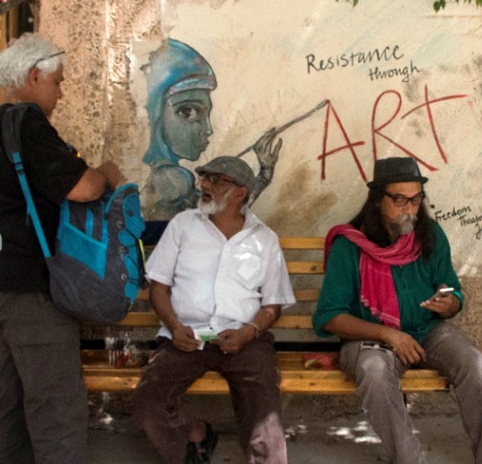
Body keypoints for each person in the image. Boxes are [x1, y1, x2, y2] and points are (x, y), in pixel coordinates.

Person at [312, 156, 482, 464]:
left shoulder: (429, 235)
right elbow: (330, 316)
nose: (409, 209)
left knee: (476, 365)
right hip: (371, 338)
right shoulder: (350, 245)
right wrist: (388, 334)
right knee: (375, 373)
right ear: (378, 200)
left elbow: (453, 291)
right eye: (400, 200)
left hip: (428, 330)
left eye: (416, 200)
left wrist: (449, 303)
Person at [0, 33, 124, 463]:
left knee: (7, 412)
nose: (61, 92)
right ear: (35, 75)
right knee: (56, 411)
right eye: (59, 82)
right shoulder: (26, 122)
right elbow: (84, 188)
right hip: (29, 288)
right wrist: (107, 173)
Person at [132, 156, 295, 464]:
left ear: (240, 192)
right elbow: (159, 288)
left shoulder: (265, 240)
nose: (206, 185)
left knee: (264, 412)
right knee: (148, 401)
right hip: (187, 334)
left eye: (216, 180)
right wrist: (174, 325)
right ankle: (192, 437)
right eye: (205, 179)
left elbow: (272, 305)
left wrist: (248, 333)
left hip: (244, 337)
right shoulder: (183, 226)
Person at [141, 39, 282, 219]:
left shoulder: (166, 178)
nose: (207, 129)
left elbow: (224, 208)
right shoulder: (173, 180)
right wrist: (264, 175)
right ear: (153, 112)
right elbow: (220, 212)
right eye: (188, 111)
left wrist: (263, 176)